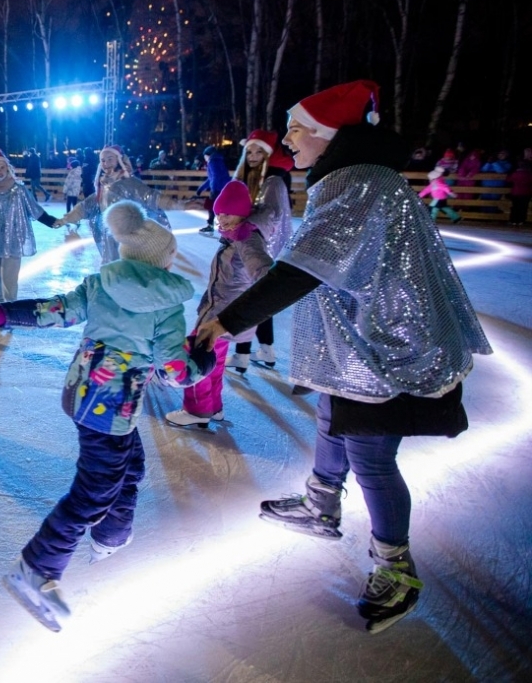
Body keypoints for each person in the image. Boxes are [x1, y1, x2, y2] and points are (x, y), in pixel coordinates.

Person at [195, 80, 491, 633]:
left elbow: (305, 267)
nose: (287, 138)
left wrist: (228, 321)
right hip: (363, 337)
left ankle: (394, 568)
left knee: (372, 457)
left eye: (296, 129)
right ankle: (321, 504)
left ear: (328, 134)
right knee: (333, 415)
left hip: (389, 344)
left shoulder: (357, 182)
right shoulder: (356, 178)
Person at [0, 201, 215, 632]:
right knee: (95, 491)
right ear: (163, 260)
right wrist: (205, 361)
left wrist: (4, 313)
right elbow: (174, 373)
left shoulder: (101, 284)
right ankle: (38, 566)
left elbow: (53, 311)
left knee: (128, 465)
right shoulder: (167, 308)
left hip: (81, 393)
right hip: (114, 410)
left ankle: (111, 535)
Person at [164, 180, 272, 428]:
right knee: (215, 362)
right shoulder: (237, 236)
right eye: (219, 212)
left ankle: (197, 410)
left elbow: (265, 273)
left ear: (243, 213)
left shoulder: (246, 240)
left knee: (197, 359)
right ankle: (213, 408)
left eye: (228, 213)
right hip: (224, 314)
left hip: (221, 315)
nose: (221, 218)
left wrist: (253, 302)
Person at [232, 129, 294, 368]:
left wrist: (242, 222)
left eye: (259, 151)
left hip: (260, 247)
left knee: (247, 299)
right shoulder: (248, 179)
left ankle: (243, 353)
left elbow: (273, 214)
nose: (253, 156)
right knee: (254, 299)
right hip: (249, 245)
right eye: (249, 151)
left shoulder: (273, 181)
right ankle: (264, 350)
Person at [55, 146, 170, 265]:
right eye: (103, 161)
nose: (106, 164)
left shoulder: (129, 183)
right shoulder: (104, 185)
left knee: (129, 268)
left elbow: (152, 197)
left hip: (130, 236)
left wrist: (180, 204)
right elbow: (86, 206)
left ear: (119, 160)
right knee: (112, 265)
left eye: (110, 159)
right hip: (110, 235)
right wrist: (65, 219)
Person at [0, 149, 60, 303]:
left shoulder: (18, 190)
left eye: (2, 167)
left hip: (14, 239)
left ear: (8, 168)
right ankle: (0, 307)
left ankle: (10, 310)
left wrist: (51, 221)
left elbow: (34, 209)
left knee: (10, 279)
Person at [194, 145, 230, 235]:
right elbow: (211, 178)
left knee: (213, 207)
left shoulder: (212, 162)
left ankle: (222, 227)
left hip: (218, 188)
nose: (204, 158)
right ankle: (225, 227)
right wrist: (201, 189)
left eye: (205, 156)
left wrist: (213, 190)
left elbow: (215, 177)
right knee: (217, 207)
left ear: (208, 155)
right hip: (223, 188)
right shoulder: (219, 161)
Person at [508, 159, 532, 226]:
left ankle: (513, 220)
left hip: (516, 192)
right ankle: (521, 221)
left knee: (515, 207)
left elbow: (509, 180)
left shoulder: (515, 174)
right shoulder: (529, 174)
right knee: (523, 207)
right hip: (526, 193)